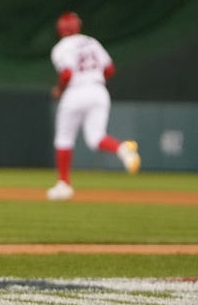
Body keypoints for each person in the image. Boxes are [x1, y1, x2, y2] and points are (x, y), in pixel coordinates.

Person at [47, 11, 140, 200]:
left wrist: (59, 90)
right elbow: (110, 69)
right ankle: (123, 150)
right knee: (96, 138)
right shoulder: (92, 41)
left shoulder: (61, 47)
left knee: (64, 139)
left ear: (60, 30)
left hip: (75, 92)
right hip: (98, 91)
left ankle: (64, 185)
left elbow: (66, 74)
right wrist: (95, 80)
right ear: (77, 26)